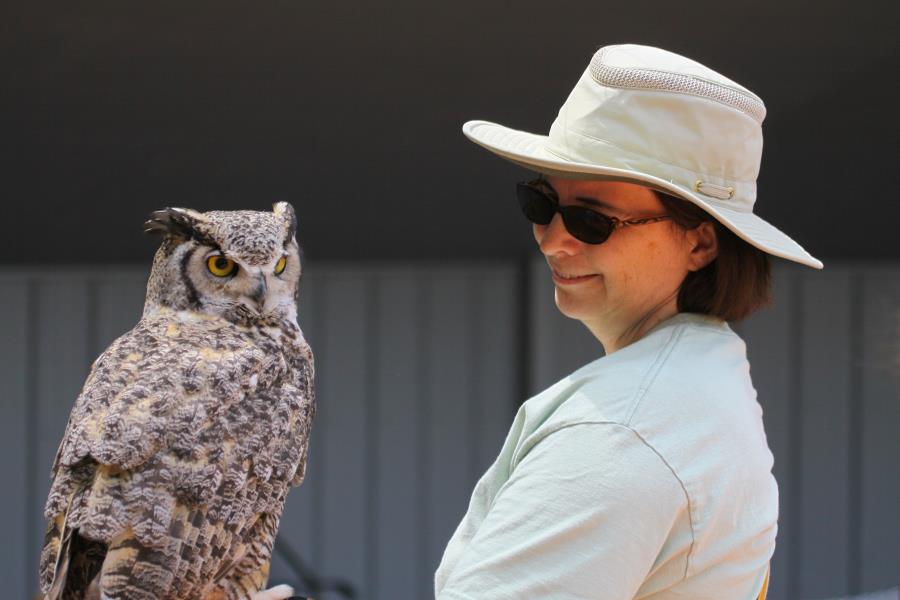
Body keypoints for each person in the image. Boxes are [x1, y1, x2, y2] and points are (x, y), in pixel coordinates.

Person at [434, 44, 823, 600]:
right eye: (540, 203)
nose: (552, 239)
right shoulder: (705, 378)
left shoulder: (619, 429)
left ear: (700, 243)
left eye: (592, 220)